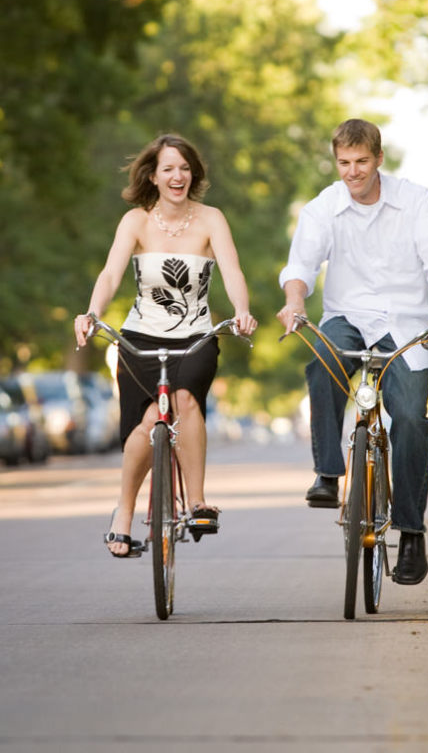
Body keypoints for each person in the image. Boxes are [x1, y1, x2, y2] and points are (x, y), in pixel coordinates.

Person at [277, 118, 428, 586]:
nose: (352, 171)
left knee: (411, 420)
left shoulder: (416, 201)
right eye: (344, 162)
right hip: (349, 316)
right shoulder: (324, 207)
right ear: (336, 161)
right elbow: (301, 264)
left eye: (361, 161)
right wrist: (295, 304)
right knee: (323, 357)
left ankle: (412, 534)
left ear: (378, 158)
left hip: (408, 323)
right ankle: (327, 471)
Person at [74, 133, 257, 558]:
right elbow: (109, 274)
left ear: (194, 175)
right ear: (153, 176)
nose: (178, 176)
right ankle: (124, 511)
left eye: (185, 168)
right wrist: (92, 313)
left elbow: (233, 273)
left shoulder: (212, 219)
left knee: (185, 400)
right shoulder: (135, 221)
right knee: (146, 424)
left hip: (196, 337)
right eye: (168, 169)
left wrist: (242, 311)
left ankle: (196, 502)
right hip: (140, 336)